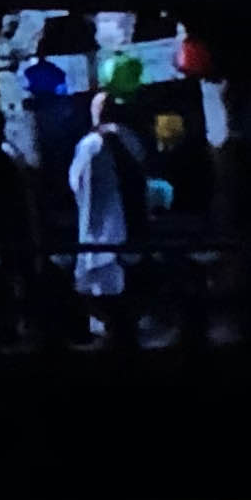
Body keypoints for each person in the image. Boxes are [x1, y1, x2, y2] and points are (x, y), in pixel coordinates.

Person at [66, 89, 149, 334]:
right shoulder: (129, 138)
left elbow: (76, 182)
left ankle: (111, 330)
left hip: (101, 225)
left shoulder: (92, 144)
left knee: (104, 288)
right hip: (130, 223)